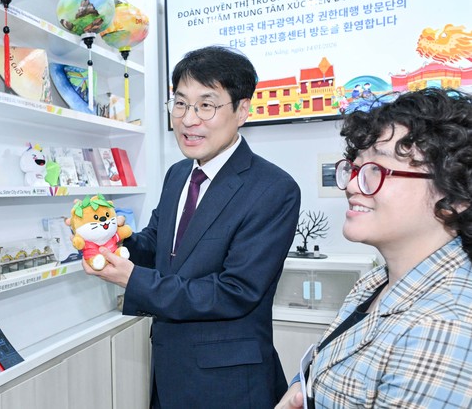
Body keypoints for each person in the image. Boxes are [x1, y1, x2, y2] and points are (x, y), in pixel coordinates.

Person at [83, 45, 301, 408]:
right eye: (180, 103)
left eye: (206, 105)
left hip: (229, 384)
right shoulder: (178, 174)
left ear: (242, 110)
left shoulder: (273, 189)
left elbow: (235, 291)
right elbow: (159, 245)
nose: (188, 119)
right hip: (169, 370)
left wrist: (133, 279)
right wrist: (112, 240)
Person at [276, 88, 472, 408]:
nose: (353, 185)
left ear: (455, 197)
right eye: (355, 169)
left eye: (377, 171)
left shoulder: (443, 326)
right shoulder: (376, 281)